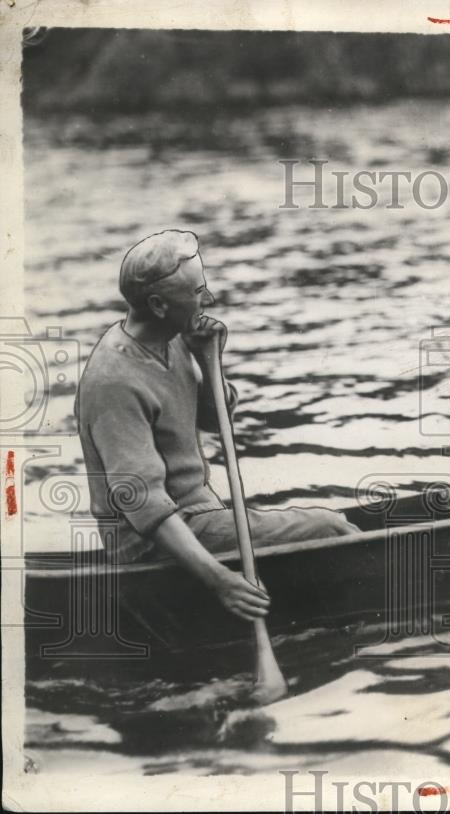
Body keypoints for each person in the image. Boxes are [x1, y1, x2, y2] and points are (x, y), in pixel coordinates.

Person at [75, 230, 360, 621]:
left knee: (333, 527)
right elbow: (144, 504)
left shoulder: (172, 339)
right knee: (332, 529)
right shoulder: (114, 381)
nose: (208, 299)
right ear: (158, 304)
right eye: (197, 291)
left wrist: (210, 361)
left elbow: (213, 420)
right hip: (153, 542)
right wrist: (220, 581)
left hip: (198, 516)